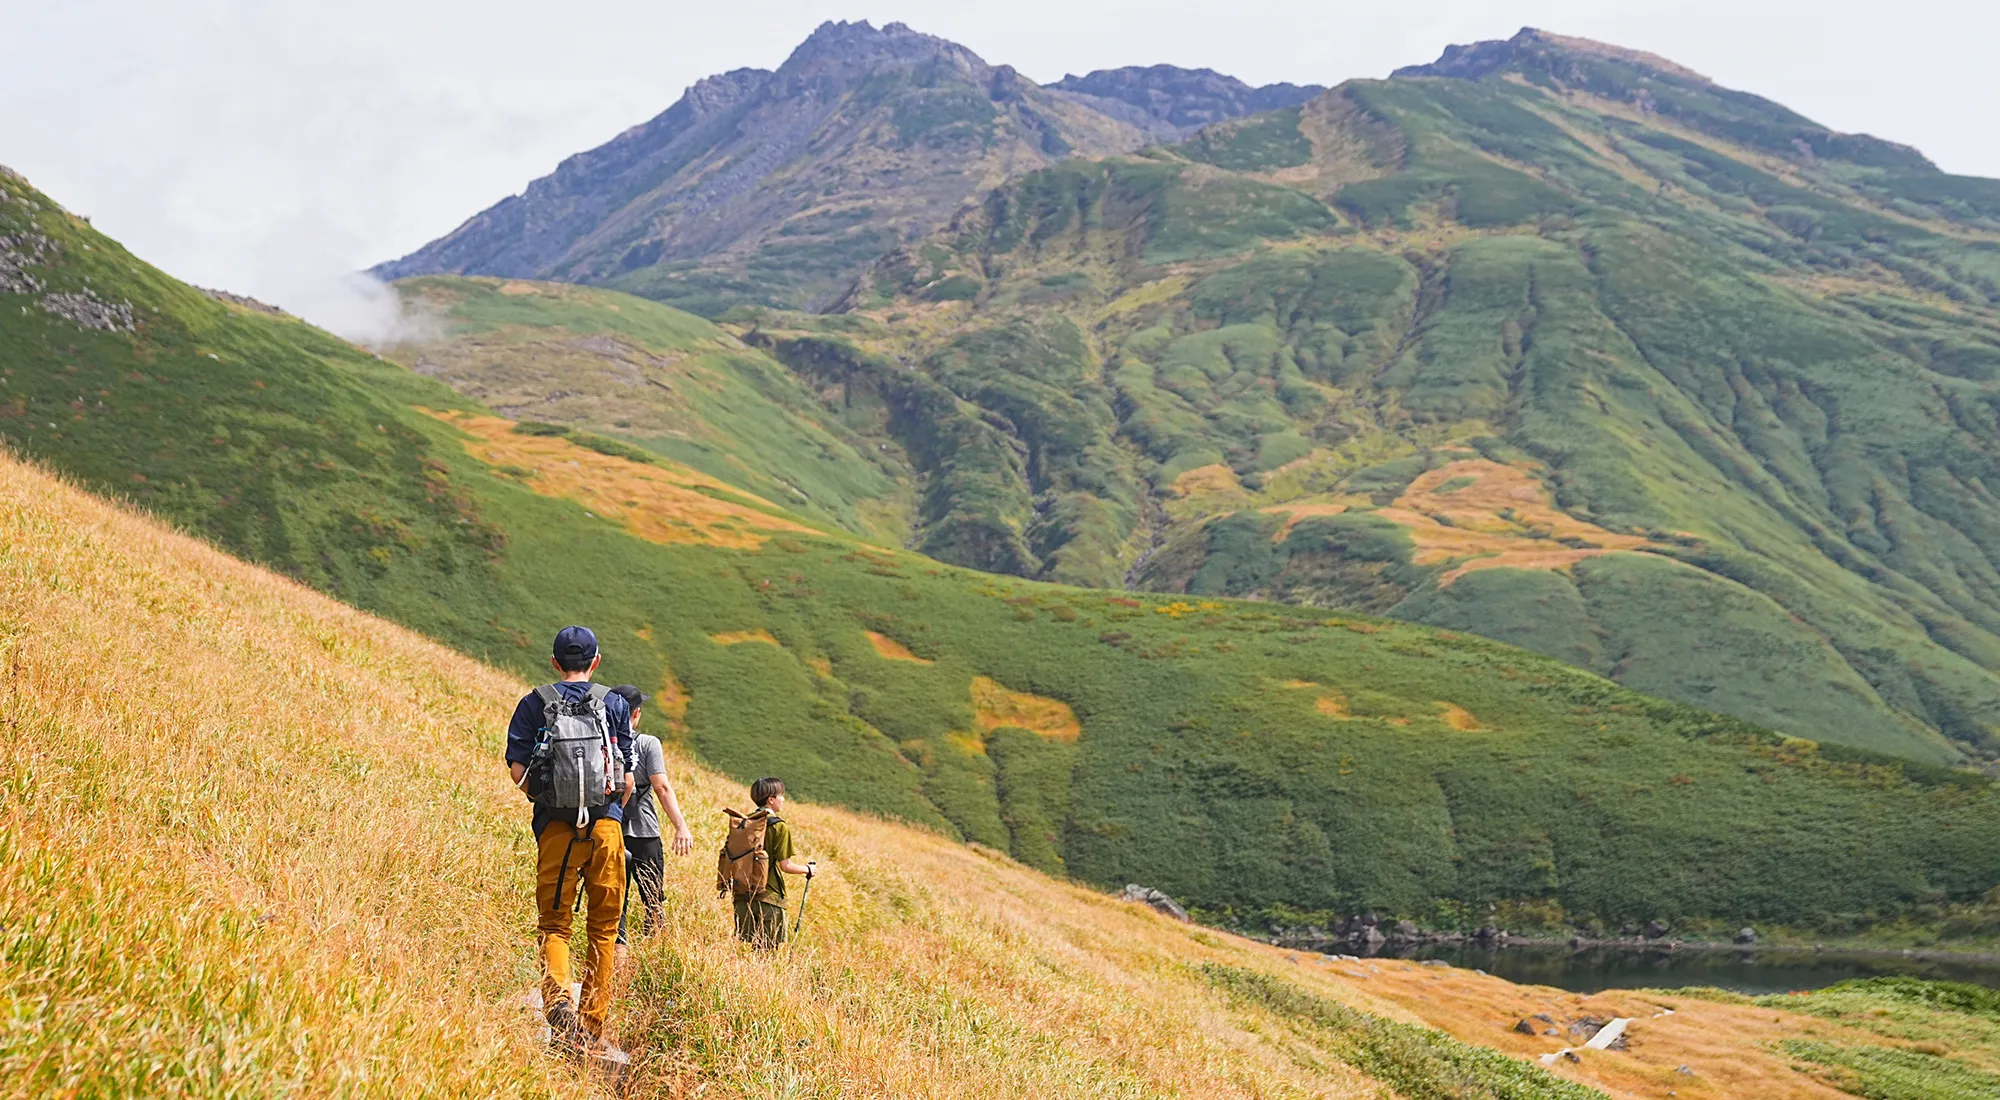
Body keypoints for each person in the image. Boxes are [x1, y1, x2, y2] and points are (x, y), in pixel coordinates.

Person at [504, 626, 634, 1050]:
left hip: (556, 829)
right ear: (595, 661)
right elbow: (627, 778)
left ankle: (559, 1003)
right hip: (606, 828)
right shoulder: (613, 702)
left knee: (556, 924)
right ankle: (592, 1026)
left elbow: (519, 773)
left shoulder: (533, 703)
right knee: (603, 928)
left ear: (554, 662)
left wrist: (546, 800)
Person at [610, 684, 693, 945]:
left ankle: (614, 967)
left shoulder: (602, 742)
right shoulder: (646, 744)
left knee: (615, 905)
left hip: (610, 828)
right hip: (644, 833)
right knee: (653, 901)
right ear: (636, 714)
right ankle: (654, 955)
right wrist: (681, 826)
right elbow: (662, 787)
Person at [735, 776, 814, 948]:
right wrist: (807, 869)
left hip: (742, 897)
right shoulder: (779, 827)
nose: (783, 799)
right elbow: (786, 866)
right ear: (771, 800)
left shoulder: (744, 822)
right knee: (766, 953)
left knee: (748, 952)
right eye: (781, 796)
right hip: (769, 897)